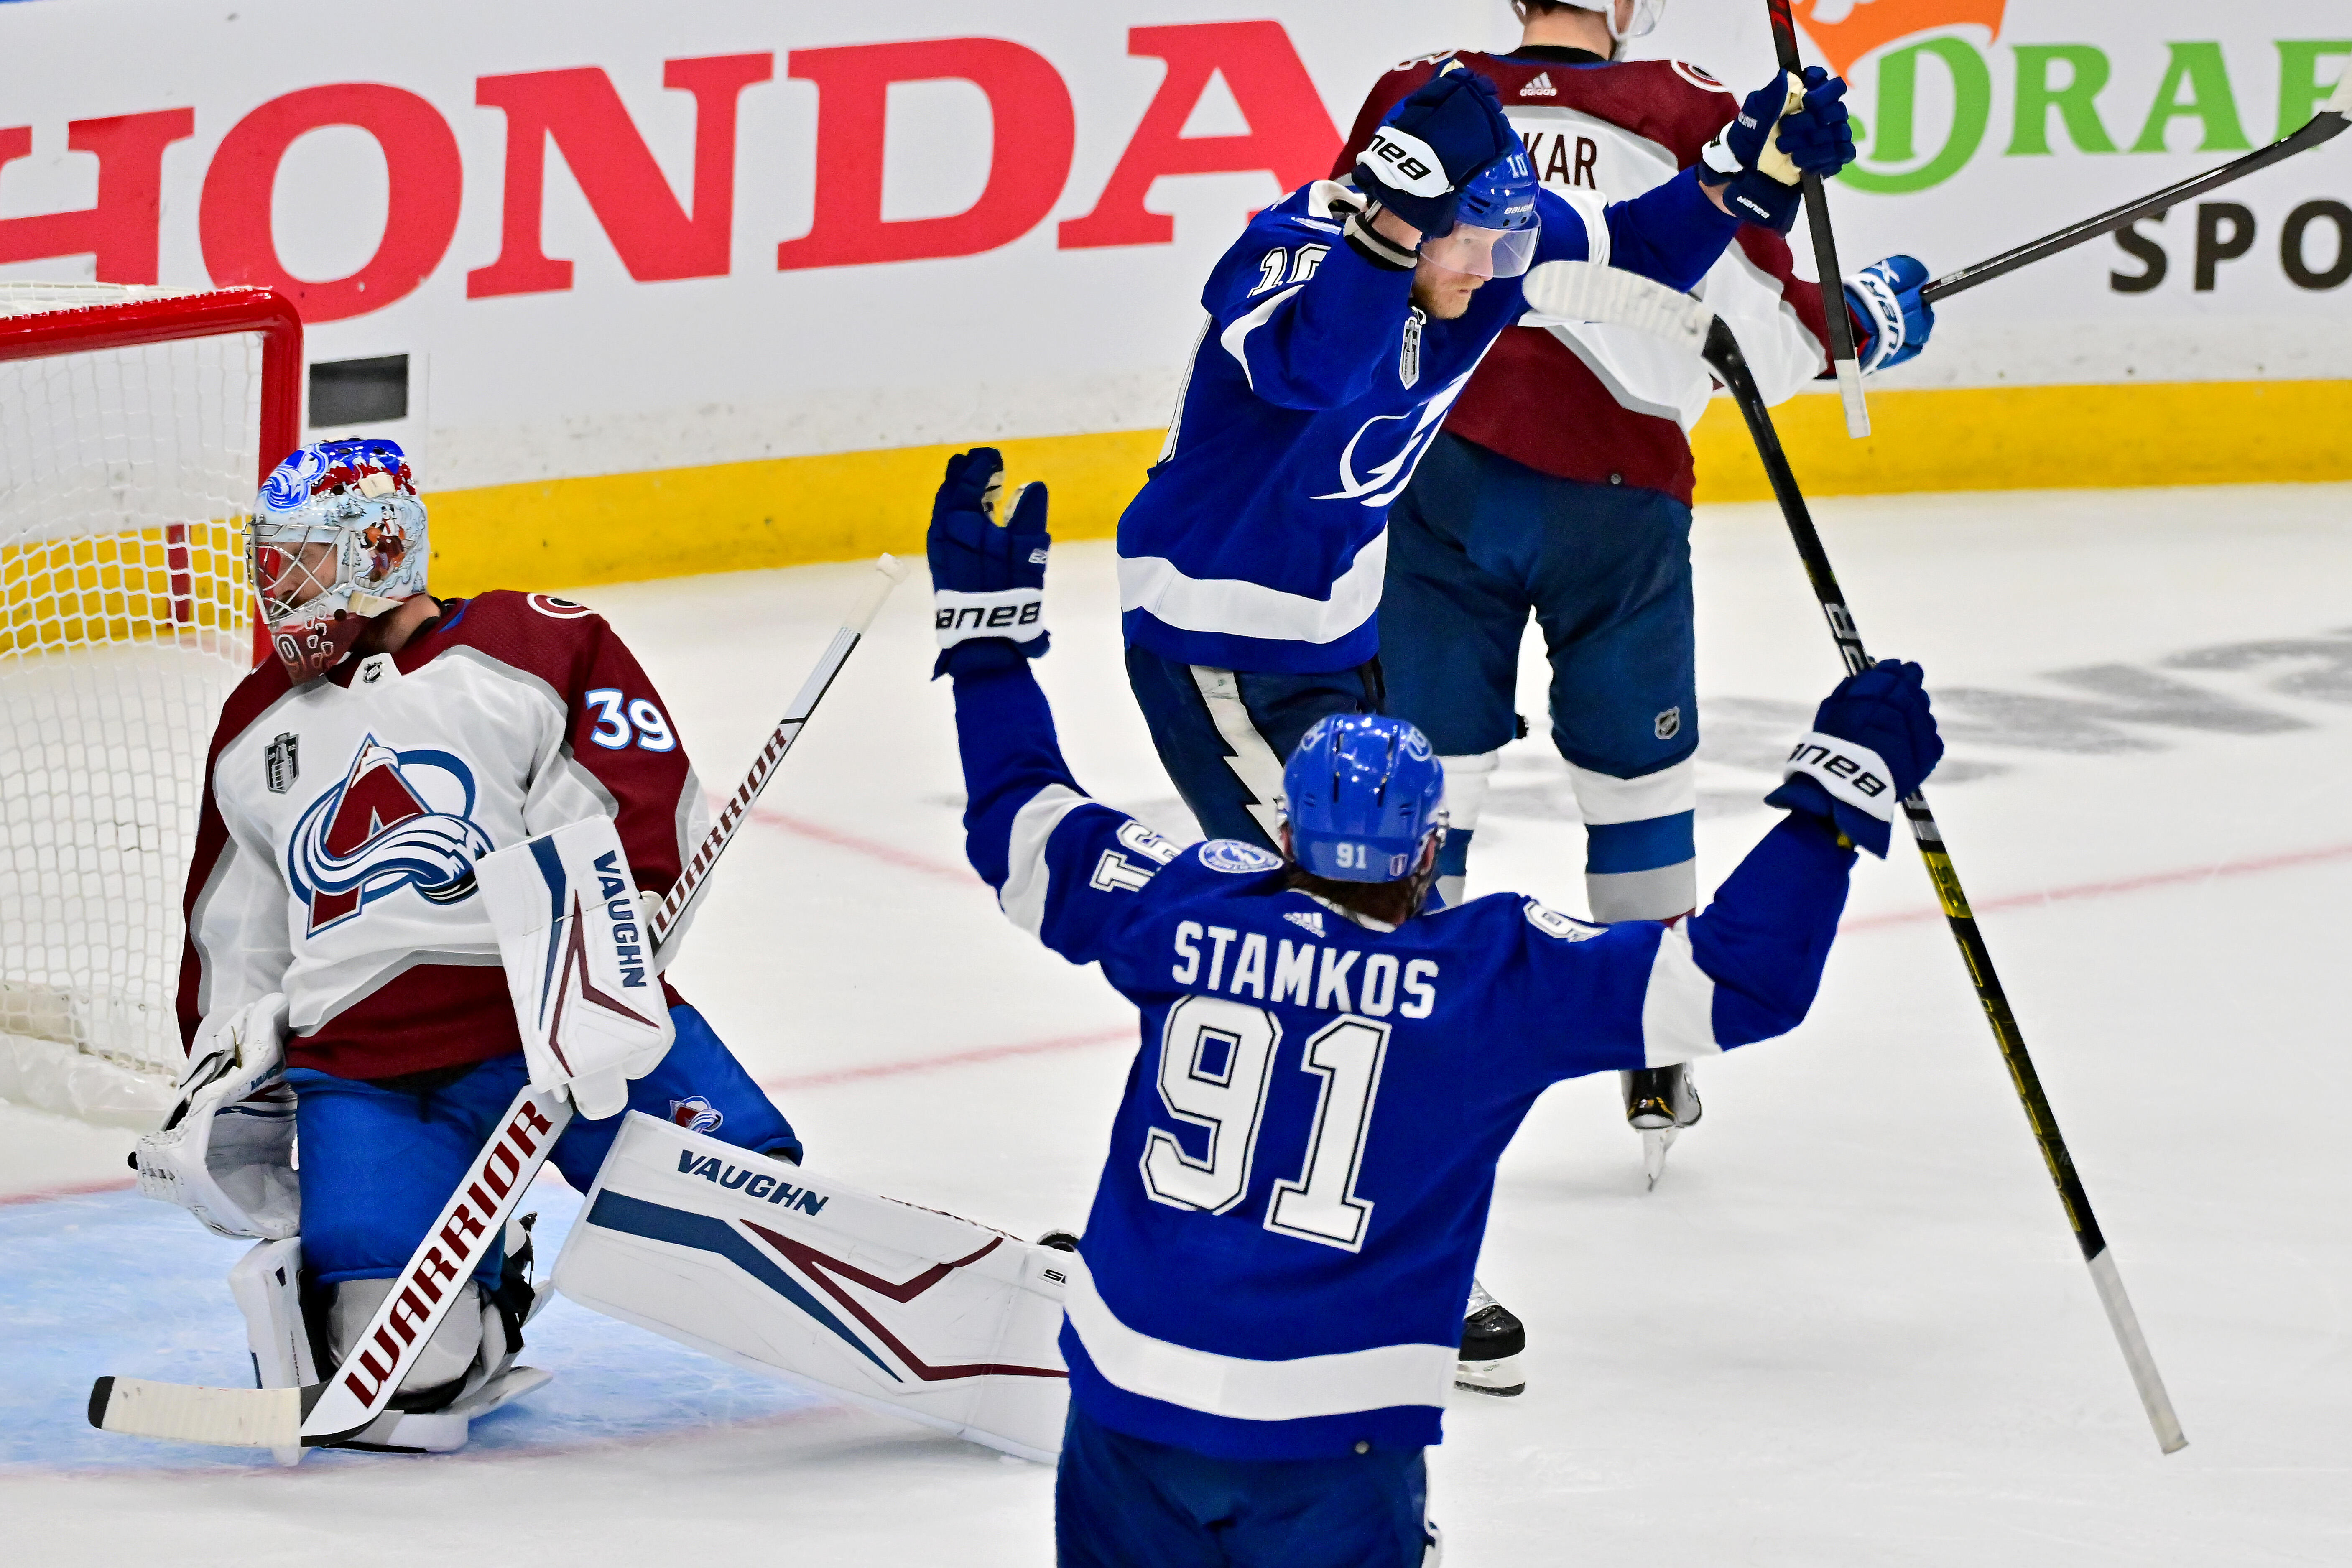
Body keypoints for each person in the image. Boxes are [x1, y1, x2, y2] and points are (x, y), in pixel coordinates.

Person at [926, 447, 1944, 1566]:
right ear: (1424, 854)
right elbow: (1739, 979)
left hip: (1125, 1406)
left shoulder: (1181, 907)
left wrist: (985, 639)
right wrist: (1832, 801)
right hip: (1328, 1442)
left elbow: (1019, 818)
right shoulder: (1488, 975)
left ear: (1287, 831)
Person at [1334, 0, 1935, 1153]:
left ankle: (1404, 1034)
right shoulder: (1692, 105)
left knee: (1432, 777)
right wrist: (1859, 321)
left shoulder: (1424, 90)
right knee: (1636, 779)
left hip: (1433, 489)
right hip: (1618, 501)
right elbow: (1753, 334)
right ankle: (1654, 1060)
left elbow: (1348, 286)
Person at [159, 437, 802, 1448]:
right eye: (270, 561)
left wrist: (618, 919)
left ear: (380, 550)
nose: (279, 590)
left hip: (567, 1026)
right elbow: (233, 928)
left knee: (763, 1231)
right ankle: (483, 1285)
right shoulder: (254, 725)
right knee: (410, 1372)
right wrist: (225, 1063)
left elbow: (638, 802)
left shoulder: (533, 641)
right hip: (370, 1075)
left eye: (305, 562)